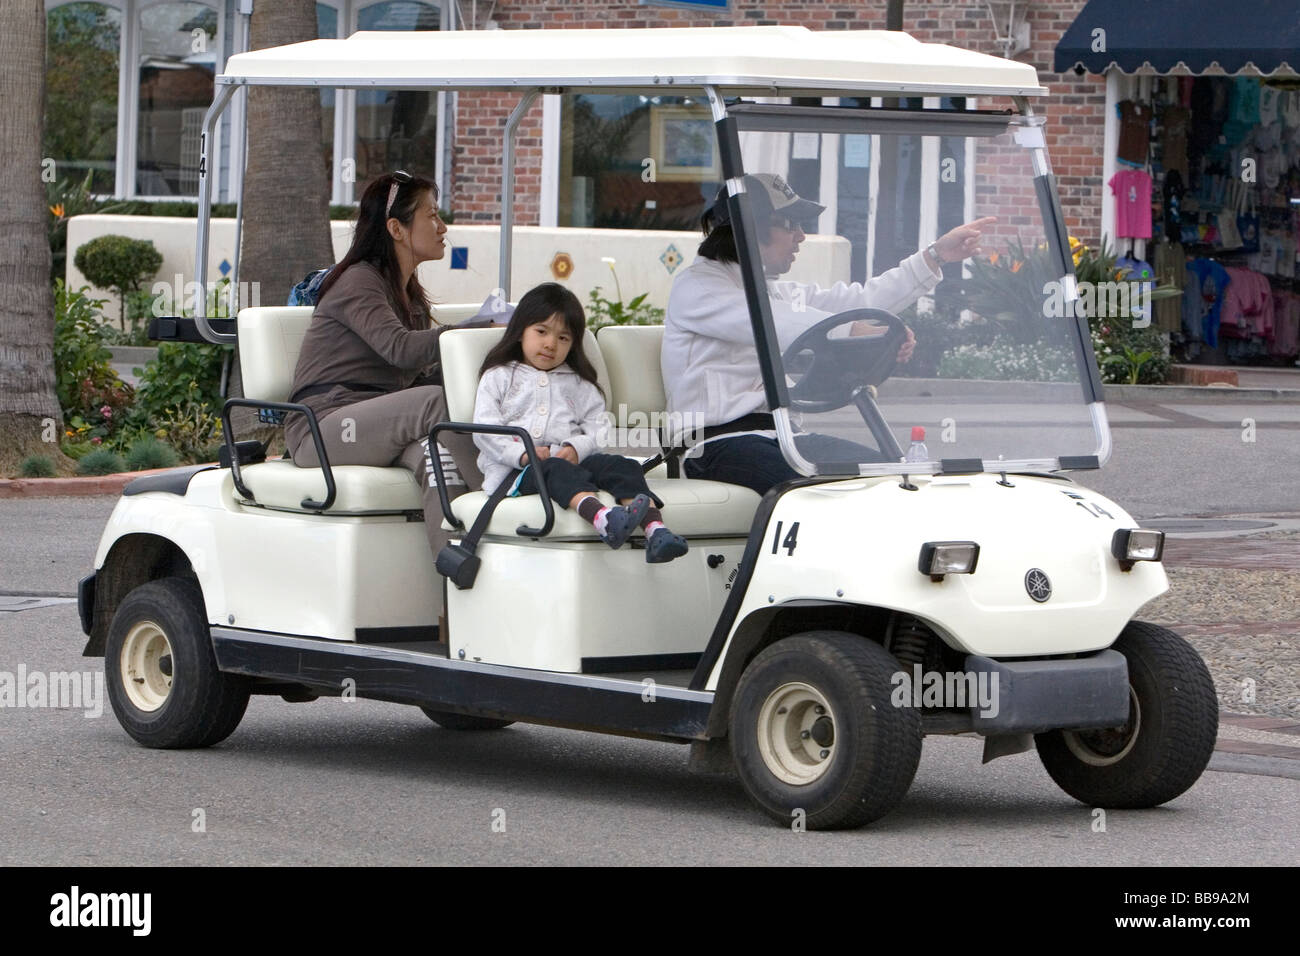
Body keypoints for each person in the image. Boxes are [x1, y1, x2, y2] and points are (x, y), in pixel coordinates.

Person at [663, 172, 994, 495]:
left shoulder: (771, 291)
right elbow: (773, 323)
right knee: (837, 490)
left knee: (886, 476)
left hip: (782, 437)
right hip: (712, 445)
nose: (801, 236)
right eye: (789, 223)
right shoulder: (699, 287)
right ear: (750, 228)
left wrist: (934, 257)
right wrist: (854, 330)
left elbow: (858, 300)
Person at [284, 170, 489, 611]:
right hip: (322, 427)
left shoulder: (409, 295)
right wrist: (469, 331)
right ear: (396, 228)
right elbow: (400, 351)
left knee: (438, 460)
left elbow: (419, 371)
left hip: (375, 422)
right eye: (431, 216)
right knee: (436, 405)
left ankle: (457, 593)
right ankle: (508, 501)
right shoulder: (359, 281)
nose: (442, 227)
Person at [474, 283, 689, 563]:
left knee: (621, 465)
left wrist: (577, 447)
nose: (551, 344)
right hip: (515, 473)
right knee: (556, 468)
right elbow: (484, 430)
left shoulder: (578, 383)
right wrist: (523, 454)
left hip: (570, 461)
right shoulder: (499, 376)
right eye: (541, 332)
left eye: (563, 338)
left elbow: (599, 428)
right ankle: (603, 519)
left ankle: (655, 529)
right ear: (519, 331)